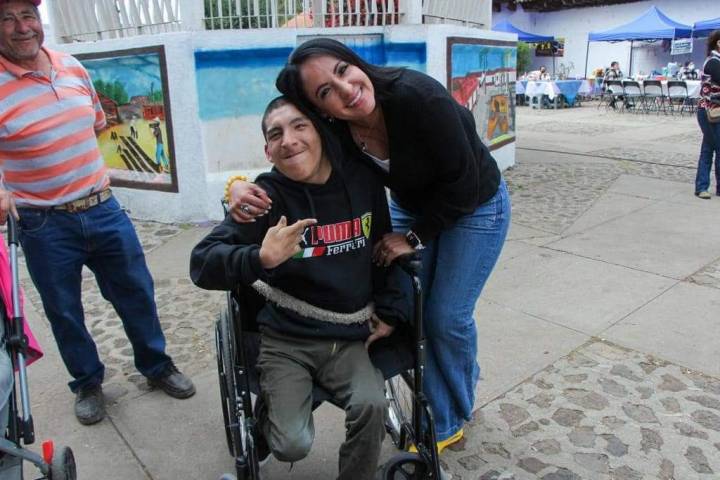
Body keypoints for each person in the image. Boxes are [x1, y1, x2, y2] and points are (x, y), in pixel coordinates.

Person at [228, 38, 511, 451]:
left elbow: (464, 185)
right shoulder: (339, 131)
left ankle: (447, 420)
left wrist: (413, 238)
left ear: (355, 62)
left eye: (343, 70)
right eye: (325, 91)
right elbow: (291, 160)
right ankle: (458, 375)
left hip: (475, 205)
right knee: (412, 308)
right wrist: (238, 187)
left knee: (446, 317)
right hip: (413, 207)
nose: (346, 89)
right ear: (321, 109)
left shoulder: (418, 97)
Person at [191, 97, 407, 479]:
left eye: (299, 126)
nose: (288, 140)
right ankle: (270, 416)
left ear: (320, 131)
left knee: (372, 406)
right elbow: (202, 262)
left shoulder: (362, 181)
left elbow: (383, 249)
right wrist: (260, 257)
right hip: (286, 340)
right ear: (268, 151)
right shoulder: (265, 199)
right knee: (292, 444)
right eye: (276, 134)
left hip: (350, 338)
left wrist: (390, 311)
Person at [0, 0, 195, 425]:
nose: (21, 27)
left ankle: (157, 365)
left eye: (28, 15)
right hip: (43, 223)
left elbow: (95, 122)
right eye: (7, 19)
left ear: (38, 19)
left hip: (103, 208)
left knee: (136, 292)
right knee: (64, 309)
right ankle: (87, 382)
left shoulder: (72, 67)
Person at [694, 30, 720, 200]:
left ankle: (702, 187)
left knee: (708, 148)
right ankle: (706, 187)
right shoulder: (713, 62)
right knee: (716, 147)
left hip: (710, 111)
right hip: (710, 111)